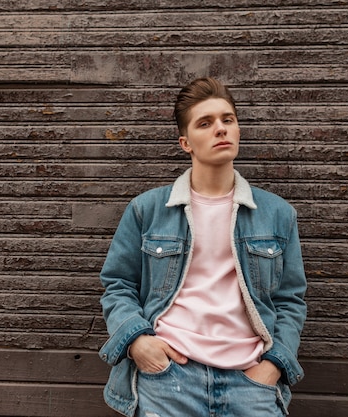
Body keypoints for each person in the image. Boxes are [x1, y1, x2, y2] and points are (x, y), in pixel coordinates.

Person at [98, 77, 307, 417]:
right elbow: (118, 284)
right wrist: (137, 342)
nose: (221, 129)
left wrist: (274, 365)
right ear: (186, 143)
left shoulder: (278, 215)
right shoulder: (147, 210)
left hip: (250, 381)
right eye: (205, 123)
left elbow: (290, 300)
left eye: (228, 119)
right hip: (169, 379)